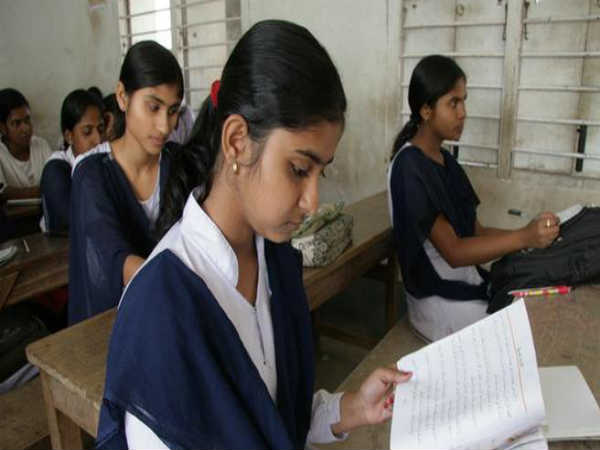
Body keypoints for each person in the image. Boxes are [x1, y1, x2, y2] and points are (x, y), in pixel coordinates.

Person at [96, 20, 412, 450]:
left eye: (320, 172)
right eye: (298, 170)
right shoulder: (161, 308)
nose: (312, 201)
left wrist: (351, 408)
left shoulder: (276, 261)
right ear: (236, 141)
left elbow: (275, 418)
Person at [388, 55, 560, 342]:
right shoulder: (409, 167)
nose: (463, 113)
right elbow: (454, 252)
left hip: (466, 283)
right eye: (453, 103)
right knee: (530, 331)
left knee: (538, 302)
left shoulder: (447, 163)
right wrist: (524, 237)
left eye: (464, 102)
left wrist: (530, 235)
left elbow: (477, 232)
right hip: (438, 301)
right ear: (426, 110)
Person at [68, 41, 183, 324]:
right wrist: (183, 287)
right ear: (122, 97)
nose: (164, 126)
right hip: (117, 322)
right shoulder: (92, 174)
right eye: (153, 107)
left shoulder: (180, 164)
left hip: (172, 315)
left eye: (172, 111)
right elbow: (113, 259)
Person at [40, 89, 105, 233]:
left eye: (101, 129)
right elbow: (70, 224)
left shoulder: (105, 161)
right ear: (69, 136)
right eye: (87, 131)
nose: (98, 139)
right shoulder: (56, 169)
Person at [0, 88, 52, 200]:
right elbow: (2, 192)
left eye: (27, 120)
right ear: (3, 128)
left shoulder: (41, 145)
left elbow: (55, 182)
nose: (26, 128)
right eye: (16, 123)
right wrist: (41, 190)